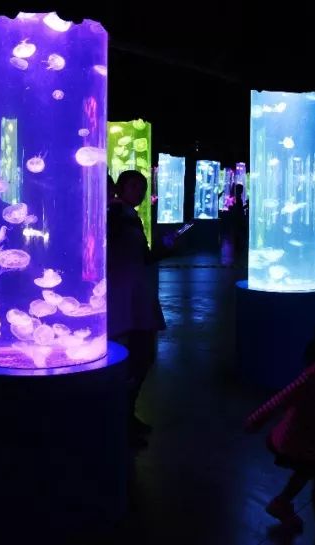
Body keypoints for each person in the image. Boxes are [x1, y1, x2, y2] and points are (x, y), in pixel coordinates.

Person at [245, 321, 315, 545]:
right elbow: (283, 398)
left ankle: (282, 503)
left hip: (309, 439)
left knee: (306, 472)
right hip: (297, 439)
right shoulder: (313, 378)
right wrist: (256, 418)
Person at [108, 170, 179, 447]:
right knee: (132, 355)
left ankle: (126, 415)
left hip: (137, 293)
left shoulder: (131, 217)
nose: (139, 191)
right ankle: (120, 419)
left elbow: (145, 257)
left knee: (142, 355)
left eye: (143, 187)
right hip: (121, 296)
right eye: (134, 186)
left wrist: (165, 246)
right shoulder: (116, 214)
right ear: (120, 188)